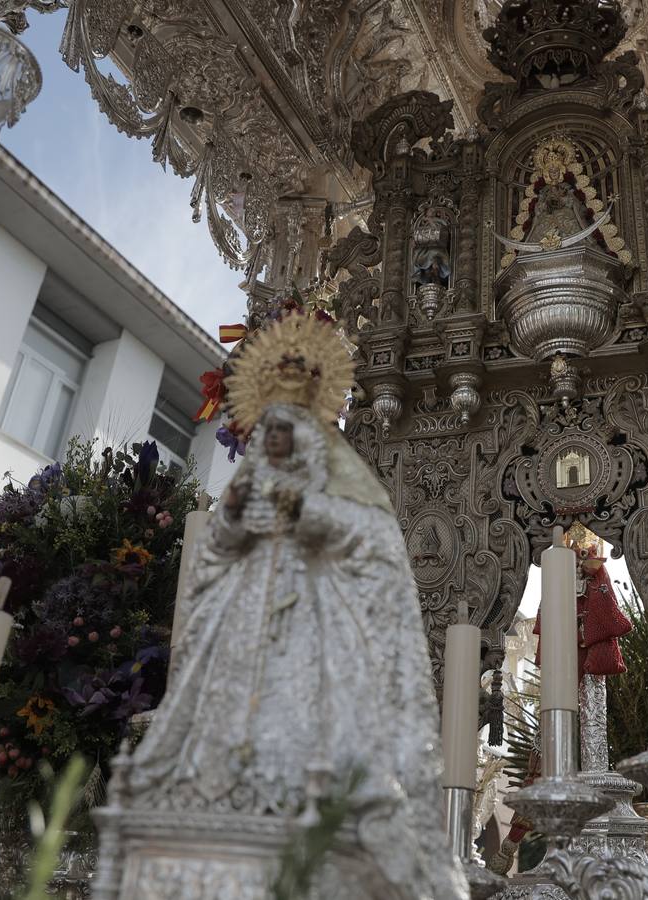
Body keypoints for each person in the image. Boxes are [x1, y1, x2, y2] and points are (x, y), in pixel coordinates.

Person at [111, 313, 465, 899]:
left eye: (285, 432)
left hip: (315, 623)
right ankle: (217, 791)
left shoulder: (336, 480)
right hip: (242, 625)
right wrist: (231, 520)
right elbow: (214, 558)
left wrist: (308, 514)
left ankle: (316, 796)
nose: (274, 441)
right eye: (268, 431)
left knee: (312, 709)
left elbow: (374, 538)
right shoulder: (248, 484)